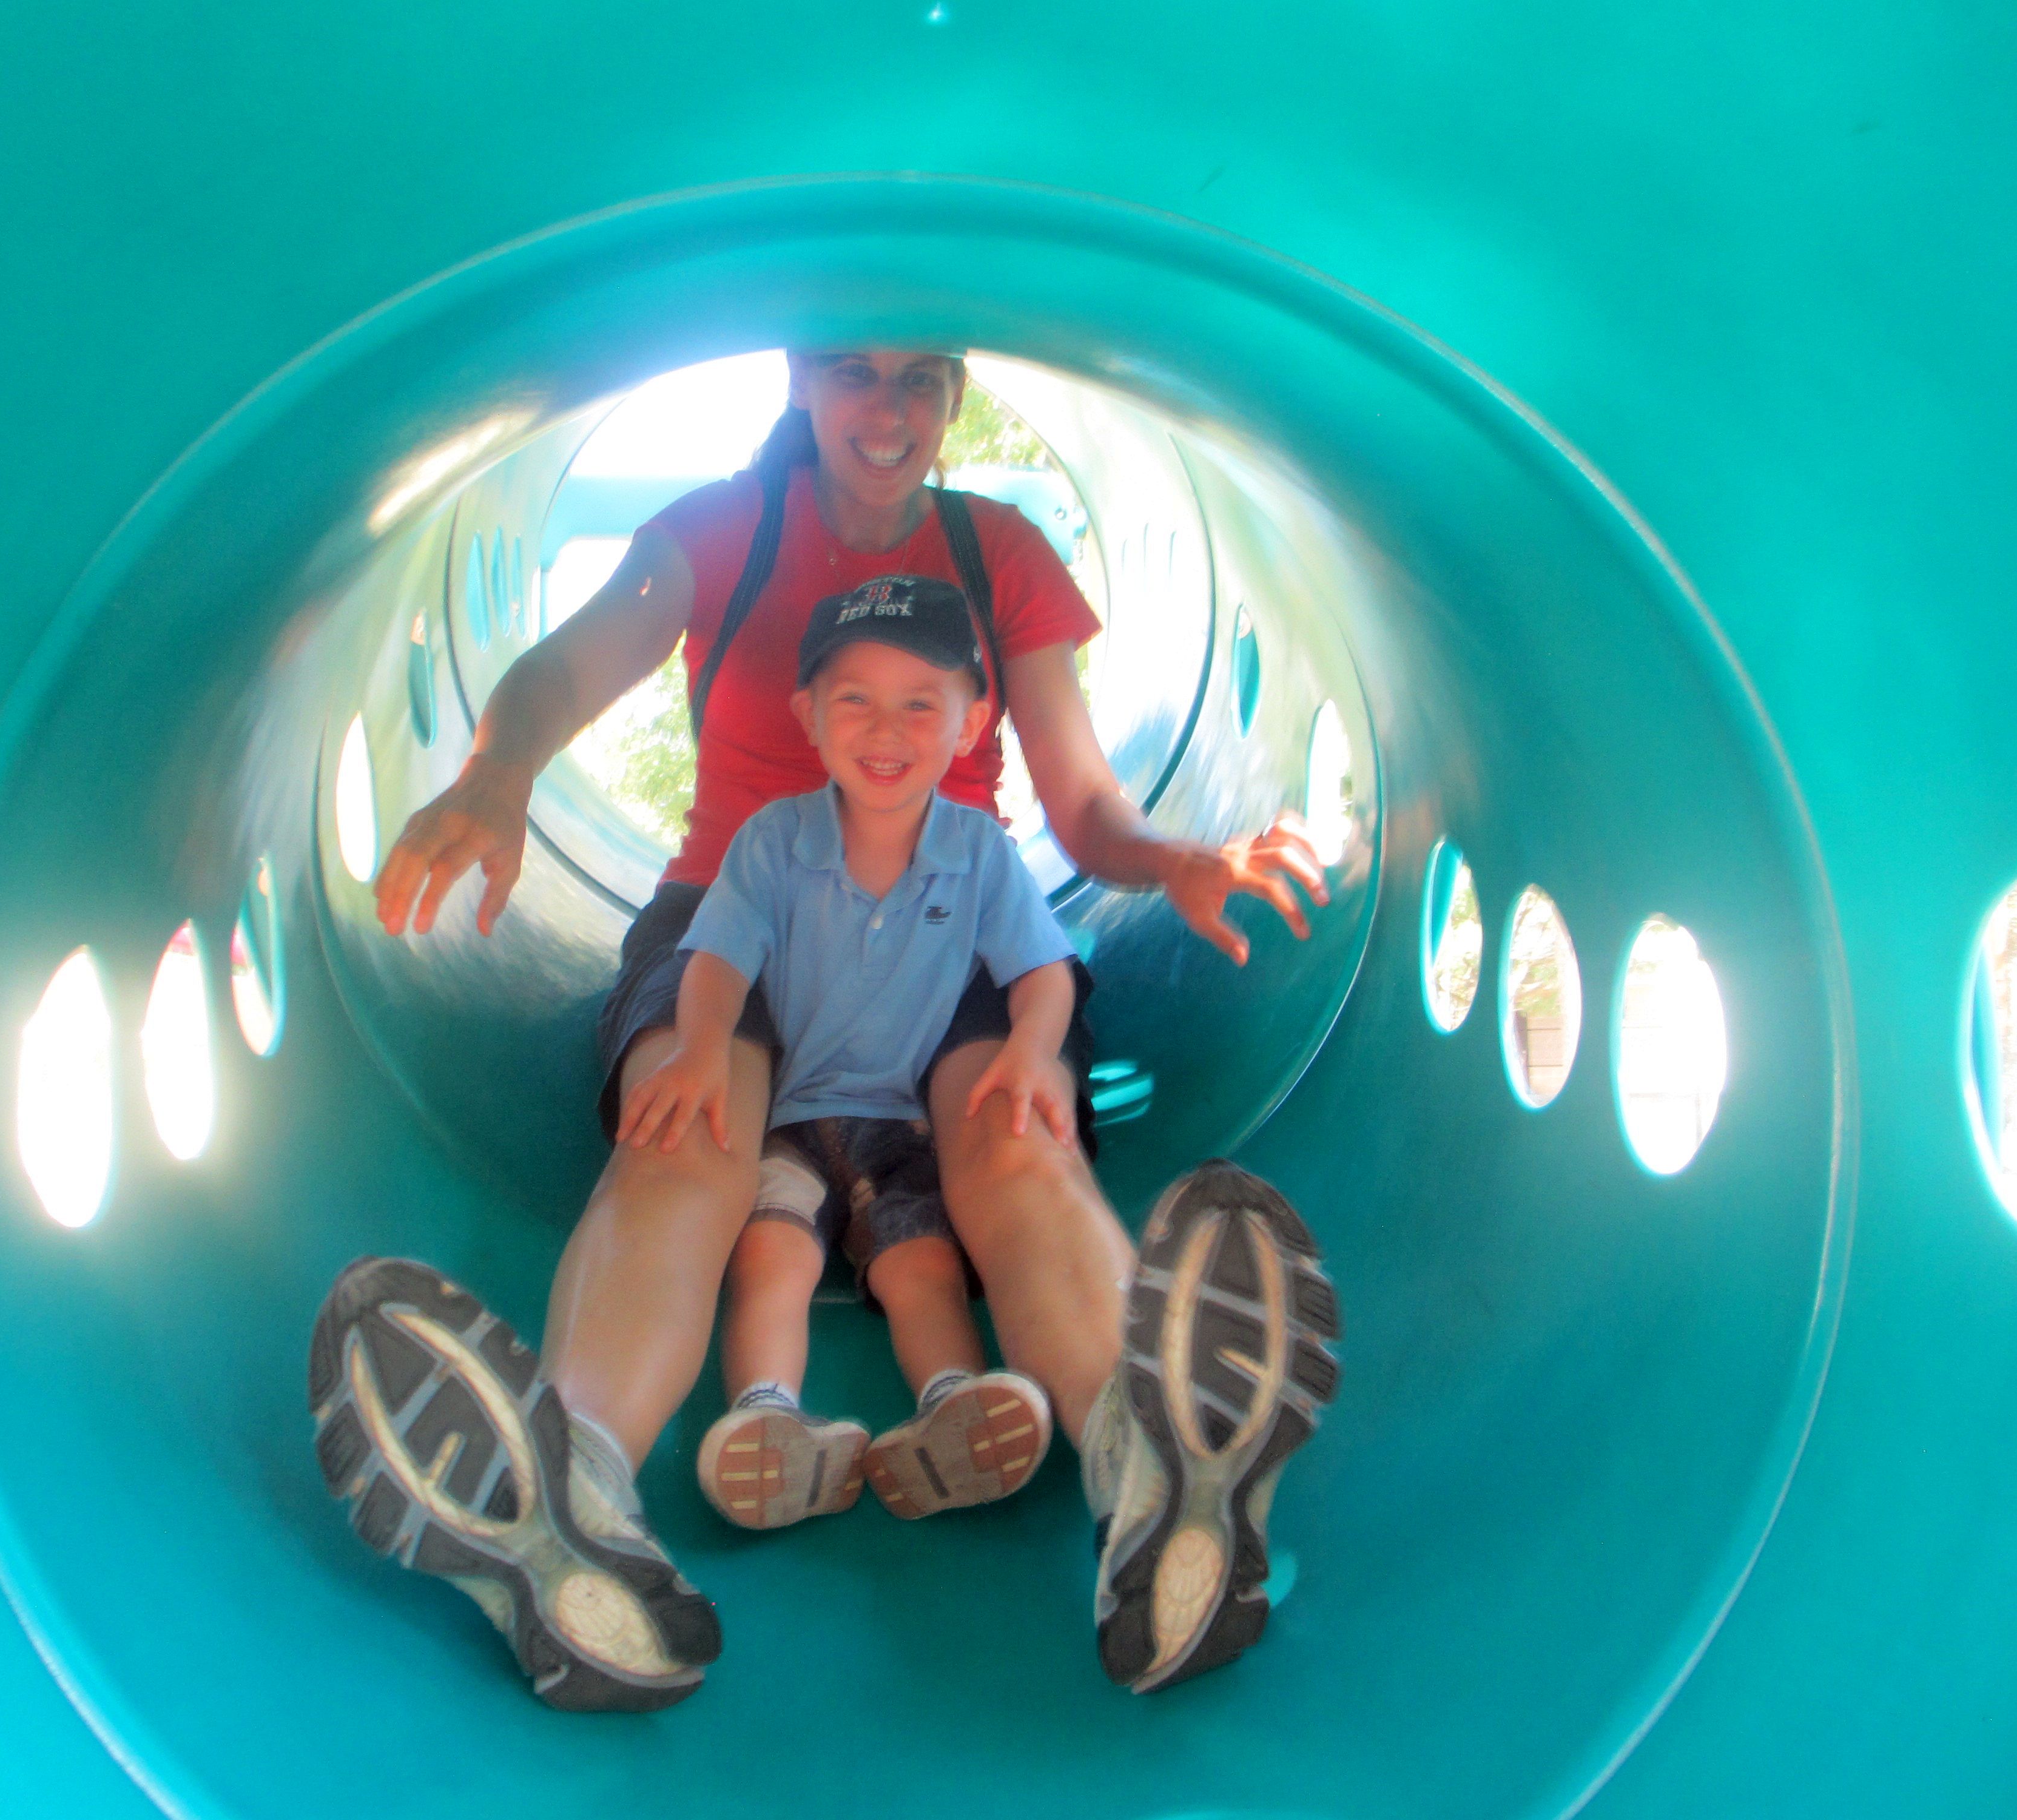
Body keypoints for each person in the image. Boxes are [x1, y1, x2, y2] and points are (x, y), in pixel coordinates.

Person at [308, 348, 1341, 1710]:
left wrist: (1173, 860)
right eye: (855, 375)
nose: (888, 411)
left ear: (955, 396)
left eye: (920, 382)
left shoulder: (997, 551)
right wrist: (499, 774)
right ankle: (569, 1493)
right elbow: (564, 668)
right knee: (687, 1132)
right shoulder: (724, 529)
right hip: (730, 914)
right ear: (801, 383)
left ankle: (1151, 1486)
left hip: (944, 911)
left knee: (1015, 1134)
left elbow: (1082, 801)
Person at [622, 575, 1074, 1531]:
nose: (886, 730)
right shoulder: (772, 842)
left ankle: (954, 1404)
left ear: (971, 724)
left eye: (921, 705)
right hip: (789, 1119)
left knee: (921, 1265)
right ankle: (767, 1418)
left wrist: (1034, 1052)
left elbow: (1042, 971)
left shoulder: (980, 853)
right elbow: (716, 962)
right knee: (771, 1255)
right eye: (856, 699)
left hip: (905, 1127)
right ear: (810, 717)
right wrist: (700, 1052)